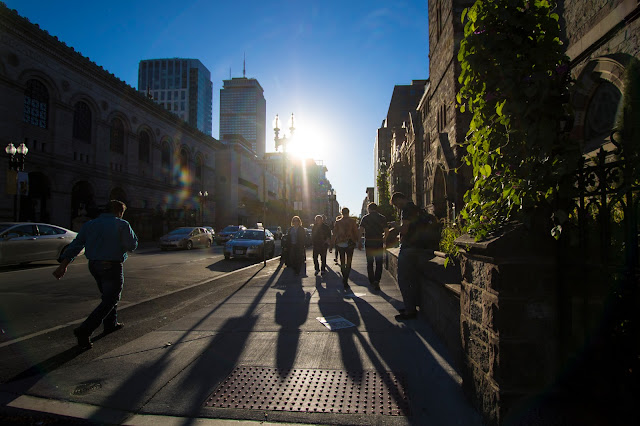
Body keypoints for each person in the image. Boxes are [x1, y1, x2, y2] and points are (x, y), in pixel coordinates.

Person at [53, 200, 138, 349]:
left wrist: (63, 265)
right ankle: (85, 330)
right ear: (119, 212)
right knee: (111, 298)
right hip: (111, 265)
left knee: (107, 296)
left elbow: (76, 245)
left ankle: (110, 323)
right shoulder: (122, 224)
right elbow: (131, 245)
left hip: (94, 265)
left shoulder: (90, 225)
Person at [390, 192, 424, 321]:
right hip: (419, 247)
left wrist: (395, 226)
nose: (397, 207)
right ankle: (411, 306)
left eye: (397, 204)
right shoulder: (416, 208)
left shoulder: (406, 210)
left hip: (409, 247)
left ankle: (410, 310)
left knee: (403, 279)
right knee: (413, 279)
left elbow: (404, 230)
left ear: (400, 199)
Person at [359, 202, 388, 291]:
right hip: (378, 242)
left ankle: (371, 280)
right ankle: (377, 280)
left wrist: (360, 242)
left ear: (369, 209)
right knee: (379, 263)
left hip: (369, 242)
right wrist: (384, 238)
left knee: (370, 262)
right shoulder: (382, 218)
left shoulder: (365, 218)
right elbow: (387, 230)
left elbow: (360, 231)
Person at [331, 207, 362, 289]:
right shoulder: (352, 221)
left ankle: (344, 276)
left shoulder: (338, 222)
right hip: (350, 243)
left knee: (342, 261)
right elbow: (356, 231)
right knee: (349, 261)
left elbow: (334, 234)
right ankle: (345, 278)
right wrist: (358, 242)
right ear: (348, 212)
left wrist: (331, 244)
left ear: (341, 213)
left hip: (340, 243)